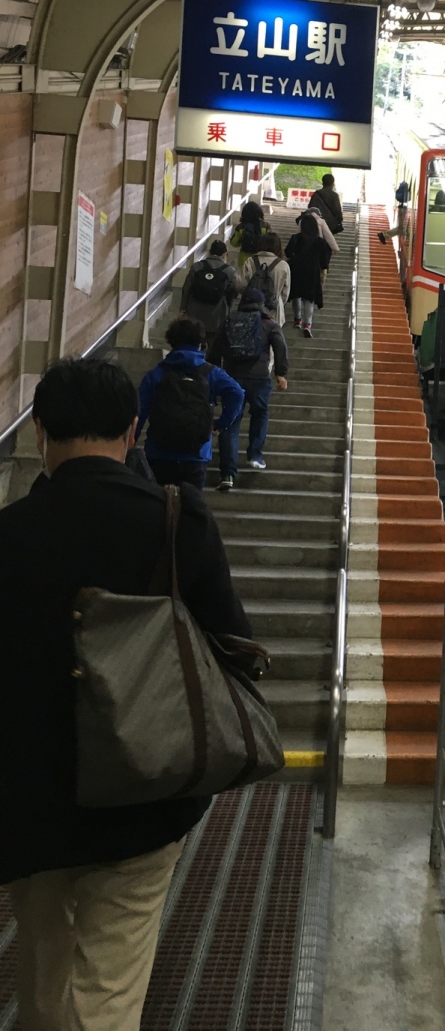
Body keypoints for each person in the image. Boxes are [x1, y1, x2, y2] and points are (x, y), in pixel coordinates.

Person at [0, 356, 250, 1031]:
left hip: (27, 798)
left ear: (40, 431)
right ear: (133, 430)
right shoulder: (176, 520)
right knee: (108, 988)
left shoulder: (9, 533)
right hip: (145, 788)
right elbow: (235, 643)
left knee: (43, 971)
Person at [135, 318, 244, 491]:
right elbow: (237, 393)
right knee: (192, 503)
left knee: (158, 502)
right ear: (200, 344)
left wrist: (130, 443)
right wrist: (220, 424)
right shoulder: (211, 373)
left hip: (159, 452)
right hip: (196, 454)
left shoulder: (156, 374)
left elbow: (139, 412)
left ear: (172, 343)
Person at [208, 287, 289, 486]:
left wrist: (215, 376)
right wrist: (280, 373)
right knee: (260, 413)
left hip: (231, 378)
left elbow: (214, 350)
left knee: (231, 421)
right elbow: (280, 345)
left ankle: (227, 474)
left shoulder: (229, 321)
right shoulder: (269, 323)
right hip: (259, 377)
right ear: (262, 304)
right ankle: (255, 455)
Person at [180, 238, 237, 336]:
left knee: (194, 339)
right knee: (213, 342)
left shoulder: (197, 267)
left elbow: (186, 288)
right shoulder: (229, 271)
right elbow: (232, 293)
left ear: (210, 252)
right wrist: (228, 309)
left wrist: (182, 309)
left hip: (195, 314)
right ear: (225, 254)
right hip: (217, 316)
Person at [286, 215, 330, 338]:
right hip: (312, 272)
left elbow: (287, 252)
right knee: (309, 298)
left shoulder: (295, 238)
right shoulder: (320, 242)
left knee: (296, 295)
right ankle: (308, 324)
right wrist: (323, 273)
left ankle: (297, 320)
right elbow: (324, 261)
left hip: (296, 270)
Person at [239, 232, 291, 327]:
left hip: (251, 309)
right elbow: (285, 293)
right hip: (274, 311)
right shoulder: (283, 265)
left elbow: (240, 285)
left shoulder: (250, 261)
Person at [230, 200, 270, 269]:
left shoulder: (241, 227)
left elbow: (234, 243)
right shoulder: (265, 226)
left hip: (244, 260)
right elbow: (270, 242)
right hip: (261, 259)